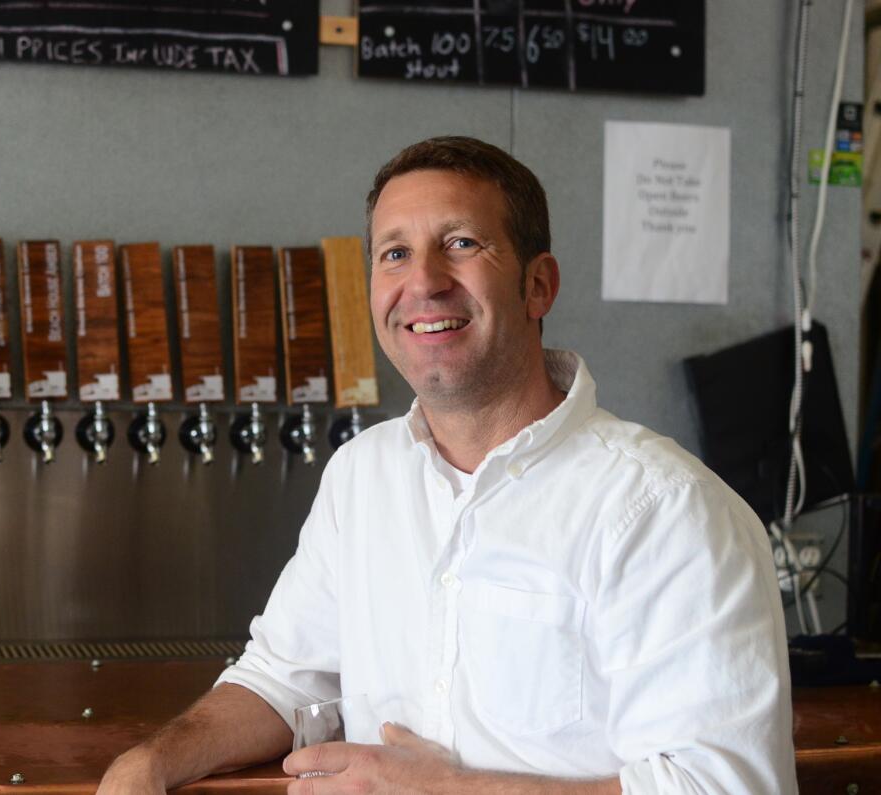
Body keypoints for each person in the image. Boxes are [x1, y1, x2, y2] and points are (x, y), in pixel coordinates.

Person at [98, 136, 797, 794]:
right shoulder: (362, 477)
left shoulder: (666, 509)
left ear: (538, 286)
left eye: (461, 244)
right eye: (393, 253)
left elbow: (724, 786)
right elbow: (284, 679)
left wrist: (451, 789)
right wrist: (149, 761)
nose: (423, 282)